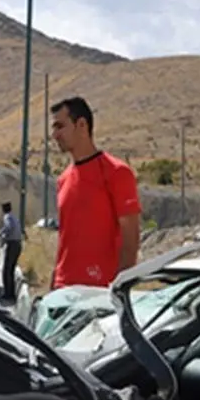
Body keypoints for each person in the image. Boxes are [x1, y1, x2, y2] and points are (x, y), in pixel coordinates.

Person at [49, 96, 141, 289]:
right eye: (54, 128)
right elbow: (65, 240)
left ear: (81, 125)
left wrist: (119, 289)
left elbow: (130, 239)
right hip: (63, 290)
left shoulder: (117, 173)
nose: (55, 135)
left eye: (60, 126)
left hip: (99, 293)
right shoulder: (63, 179)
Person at [0, 201, 23, 302]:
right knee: (11, 270)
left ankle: (8, 294)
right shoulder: (14, 217)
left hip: (12, 245)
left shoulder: (7, 217)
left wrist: (2, 235)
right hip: (18, 244)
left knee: (6, 271)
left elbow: (8, 228)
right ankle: (11, 293)